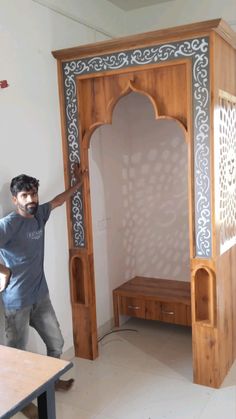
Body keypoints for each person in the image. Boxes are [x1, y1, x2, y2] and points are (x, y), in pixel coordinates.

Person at [0, 165, 85, 417]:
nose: (31, 200)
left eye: (33, 194)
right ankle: (24, 402)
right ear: (15, 199)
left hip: (41, 296)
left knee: (56, 342)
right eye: (25, 196)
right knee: (17, 354)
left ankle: (51, 382)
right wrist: (3, 271)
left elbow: (58, 201)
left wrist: (79, 183)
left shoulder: (39, 215)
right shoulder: (9, 224)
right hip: (17, 302)